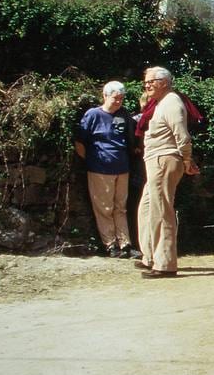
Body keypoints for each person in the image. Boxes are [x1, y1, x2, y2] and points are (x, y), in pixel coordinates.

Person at [136, 66, 199, 278]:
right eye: (145, 81)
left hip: (164, 160)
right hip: (157, 160)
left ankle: (165, 264)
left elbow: (182, 135)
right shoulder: (161, 103)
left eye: (151, 81)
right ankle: (150, 256)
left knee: (161, 210)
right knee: (147, 209)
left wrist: (187, 159)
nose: (147, 85)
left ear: (164, 82)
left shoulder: (172, 102)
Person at [74, 80, 138, 258]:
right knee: (104, 208)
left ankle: (125, 245)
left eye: (121, 99)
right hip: (100, 169)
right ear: (105, 96)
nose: (118, 102)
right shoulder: (93, 115)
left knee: (121, 207)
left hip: (122, 167)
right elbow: (79, 142)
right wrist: (92, 161)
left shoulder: (123, 115)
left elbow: (130, 137)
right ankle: (110, 245)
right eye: (115, 98)